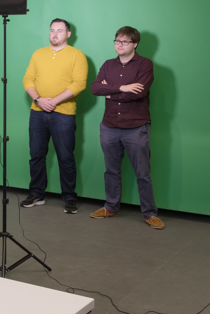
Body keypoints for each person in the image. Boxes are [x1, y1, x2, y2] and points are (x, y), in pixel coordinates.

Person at [89, 27, 163, 229]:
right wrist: (121, 88)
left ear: (135, 44)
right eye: (117, 41)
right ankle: (111, 207)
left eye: (124, 42)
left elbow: (138, 93)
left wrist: (109, 92)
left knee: (143, 173)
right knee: (111, 171)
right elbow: (95, 88)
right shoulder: (107, 64)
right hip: (109, 126)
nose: (119, 45)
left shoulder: (145, 64)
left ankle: (149, 213)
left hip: (135, 127)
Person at [21, 18, 88, 214]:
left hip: (64, 115)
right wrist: (39, 100)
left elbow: (79, 84)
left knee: (65, 157)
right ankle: (36, 194)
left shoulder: (77, 55)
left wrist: (54, 101)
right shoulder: (38, 54)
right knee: (36, 155)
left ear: (68, 34)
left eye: (59, 30)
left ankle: (69, 197)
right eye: (52, 30)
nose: (55, 34)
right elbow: (28, 79)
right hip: (37, 113)